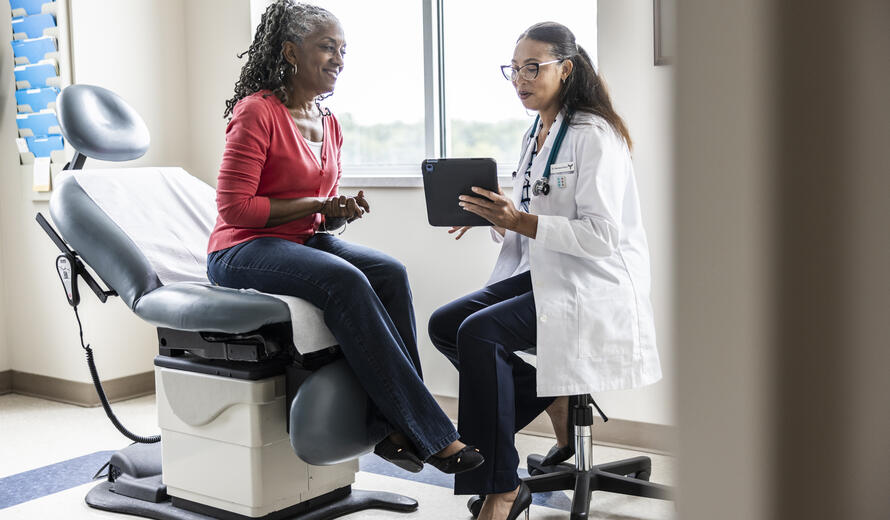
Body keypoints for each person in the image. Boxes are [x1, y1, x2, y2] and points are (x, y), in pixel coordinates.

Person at [206, 0, 482, 476]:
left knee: (389, 273)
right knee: (344, 281)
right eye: (327, 47)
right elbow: (234, 208)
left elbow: (321, 215)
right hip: (241, 248)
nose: (338, 59)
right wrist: (318, 207)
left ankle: (396, 431)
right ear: (291, 52)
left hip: (302, 241)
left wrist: (337, 215)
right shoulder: (258, 113)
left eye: (343, 50)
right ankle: (431, 434)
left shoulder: (329, 122)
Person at [429, 21, 663, 520]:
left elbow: (602, 236)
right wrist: (496, 219)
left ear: (567, 69)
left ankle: (501, 488)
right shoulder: (537, 132)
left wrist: (522, 219)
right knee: (445, 325)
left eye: (533, 67)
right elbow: (536, 214)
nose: (521, 78)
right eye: (513, 69)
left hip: (594, 283)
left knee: (480, 333)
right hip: (548, 272)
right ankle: (549, 395)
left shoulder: (594, 135)